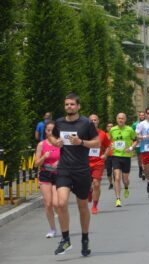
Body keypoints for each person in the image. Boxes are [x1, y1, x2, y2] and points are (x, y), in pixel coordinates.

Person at [48, 93, 100, 256]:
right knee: (61, 203)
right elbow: (53, 137)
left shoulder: (86, 123)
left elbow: (97, 142)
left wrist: (81, 142)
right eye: (66, 104)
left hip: (81, 169)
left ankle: (85, 239)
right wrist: (55, 142)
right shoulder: (59, 122)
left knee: (82, 206)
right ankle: (66, 240)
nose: (69, 107)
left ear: (78, 106)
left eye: (72, 104)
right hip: (64, 168)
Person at [34, 121, 60, 238]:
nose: (50, 132)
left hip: (58, 175)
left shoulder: (61, 143)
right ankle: (52, 229)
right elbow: (36, 163)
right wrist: (44, 157)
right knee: (48, 204)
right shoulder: (41, 144)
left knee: (56, 203)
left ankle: (62, 219)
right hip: (45, 175)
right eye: (48, 130)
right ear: (45, 131)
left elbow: (68, 158)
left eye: (52, 130)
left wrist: (59, 162)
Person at [109, 113, 137, 207]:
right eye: (119, 118)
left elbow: (136, 140)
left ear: (125, 120)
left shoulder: (129, 129)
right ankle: (118, 199)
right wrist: (111, 145)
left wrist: (131, 148)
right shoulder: (113, 129)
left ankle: (126, 187)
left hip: (126, 156)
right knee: (117, 178)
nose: (121, 120)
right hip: (116, 156)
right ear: (116, 119)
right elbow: (110, 140)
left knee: (125, 179)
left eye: (122, 118)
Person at [88, 115, 111, 215]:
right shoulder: (84, 133)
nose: (93, 121)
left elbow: (108, 146)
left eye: (95, 120)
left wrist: (105, 154)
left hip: (98, 162)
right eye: (91, 120)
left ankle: (94, 206)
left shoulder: (102, 134)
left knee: (96, 184)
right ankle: (89, 191)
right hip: (85, 162)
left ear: (98, 121)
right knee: (87, 184)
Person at [132, 111, 146, 179]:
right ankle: (140, 169)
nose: (142, 116)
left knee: (145, 157)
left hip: (146, 142)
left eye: (143, 115)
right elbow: (133, 134)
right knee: (139, 158)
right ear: (139, 116)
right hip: (138, 142)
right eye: (140, 115)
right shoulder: (135, 124)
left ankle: (144, 170)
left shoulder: (147, 123)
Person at [105, 122, 114, 189]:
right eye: (109, 126)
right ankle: (111, 183)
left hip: (115, 155)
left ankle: (116, 181)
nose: (110, 127)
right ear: (107, 128)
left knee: (115, 170)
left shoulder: (116, 134)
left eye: (111, 126)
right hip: (108, 155)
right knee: (109, 171)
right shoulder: (105, 135)